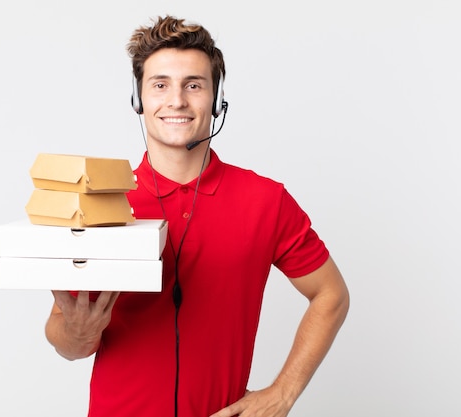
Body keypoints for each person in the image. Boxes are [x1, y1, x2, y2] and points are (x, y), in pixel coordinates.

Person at [45, 15, 350, 417]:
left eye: (193, 84)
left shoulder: (266, 200)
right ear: (138, 99)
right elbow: (67, 340)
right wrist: (77, 333)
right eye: (160, 85)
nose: (177, 101)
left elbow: (331, 294)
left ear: (216, 97)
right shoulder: (102, 202)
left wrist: (283, 393)